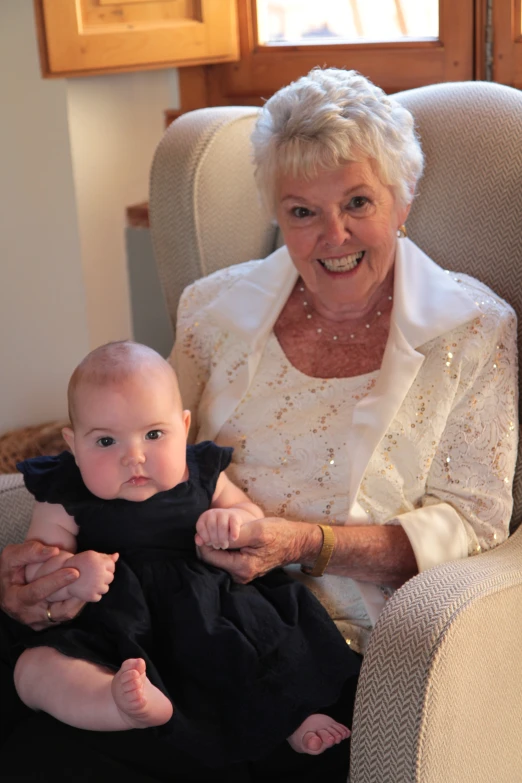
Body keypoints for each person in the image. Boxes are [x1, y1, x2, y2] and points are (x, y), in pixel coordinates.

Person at [0, 66, 517, 782]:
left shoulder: (471, 329)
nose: (331, 235)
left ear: (402, 201)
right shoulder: (215, 311)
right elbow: (131, 450)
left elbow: (473, 520)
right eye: (302, 210)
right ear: (277, 211)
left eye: (358, 201)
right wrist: (43, 567)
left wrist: (303, 543)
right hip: (164, 616)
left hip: (319, 646)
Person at [12, 340, 359, 767]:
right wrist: (71, 571)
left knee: (263, 647)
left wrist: (232, 521)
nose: (133, 457)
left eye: (154, 435)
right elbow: (36, 567)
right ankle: (110, 701)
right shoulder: (60, 491)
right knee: (32, 670)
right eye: (105, 441)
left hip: (207, 604)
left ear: (185, 426)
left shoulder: (202, 471)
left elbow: (248, 512)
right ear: (73, 444)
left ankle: (292, 714)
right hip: (110, 620)